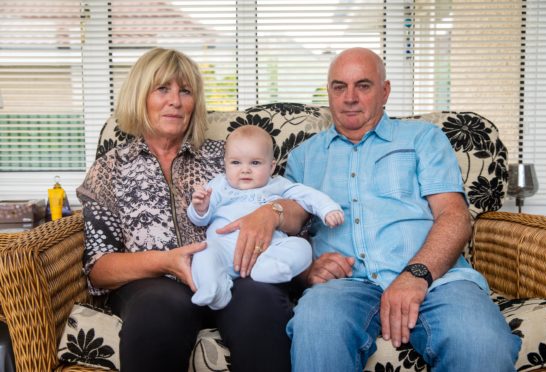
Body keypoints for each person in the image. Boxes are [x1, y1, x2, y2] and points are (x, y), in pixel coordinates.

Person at [284, 47, 521, 371]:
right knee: (316, 327)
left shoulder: (423, 139)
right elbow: (287, 237)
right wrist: (308, 270)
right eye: (339, 86)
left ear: (385, 91)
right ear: (329, 92)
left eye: (363, 85)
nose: (349, 97)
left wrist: (417, 274)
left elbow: (453, 215)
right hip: (344, 287)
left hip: (436, 280)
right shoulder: (303, 157)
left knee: (480, 343)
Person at [76, 47, 305, 372]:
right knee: (159, 306)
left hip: (232, 272)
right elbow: (98, 267)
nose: (176, 100)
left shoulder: (224, 155)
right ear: (140, 96)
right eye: (163, 89)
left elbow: (298, 210)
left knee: (261, 303)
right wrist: (166, 261)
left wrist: (275, 211)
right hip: (155, 283)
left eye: (186, 91)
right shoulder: (111, 169)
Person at [188, 125, 344, 310]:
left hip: (268, 250)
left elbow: (307, 195)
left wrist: (327, 209)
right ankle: (214, 288)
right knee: (203, 251)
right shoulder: (219, 185)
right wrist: (200, 207)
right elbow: (200, 220)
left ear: (271, 167)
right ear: (225, 163)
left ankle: (272, 269)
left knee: (301, 247)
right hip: (224, 249)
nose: (245, 170)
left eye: (255, 163)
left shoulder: (277, 184)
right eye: (236, 163)